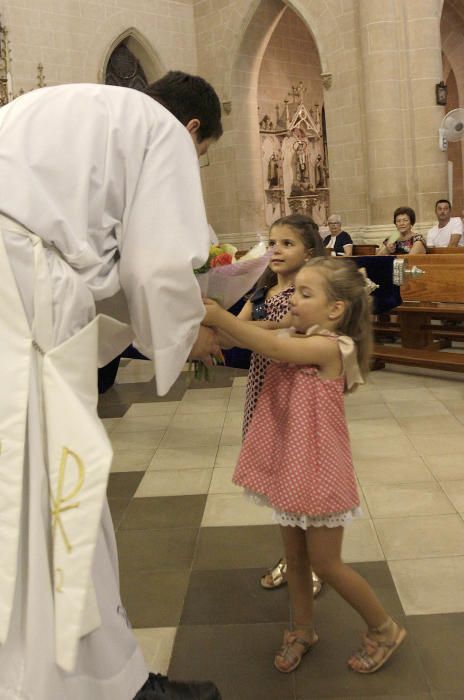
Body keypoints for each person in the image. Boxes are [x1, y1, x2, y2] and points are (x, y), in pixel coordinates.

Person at [0, 72, 223, 700]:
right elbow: (154, 266)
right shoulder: (161, 131)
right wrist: (184, 334)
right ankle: (93, 683)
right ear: (195, 129)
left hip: (18, 283)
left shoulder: (57, 105)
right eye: (201, 156)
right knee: (59, 490)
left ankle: (101, 671)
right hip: (19, 289)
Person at [202, 258, 406, 675]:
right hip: (290, 466)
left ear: (335, 310)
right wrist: (209, 326)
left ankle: (384, 628)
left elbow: (274, 348)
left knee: (327, 564)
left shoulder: (331, 346)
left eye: (305, 293)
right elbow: (260, 333)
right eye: (295, 290)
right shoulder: (298, 330)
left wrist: (220, 315)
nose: (292, 298)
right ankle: (303, 630)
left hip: (319, 471)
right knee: (294, 557)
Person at [231, 214, 324, 596]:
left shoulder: (306, 297)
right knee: (276, 480)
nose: (276, 250)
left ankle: (314, 563)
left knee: (299, 481)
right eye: (273, 242)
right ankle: (291, 557)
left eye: (287, 243)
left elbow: (276, 331)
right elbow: (237, 331)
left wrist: (222, 322)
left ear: (309, 252)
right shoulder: (261, 291)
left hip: (295, 396)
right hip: (262, 392)